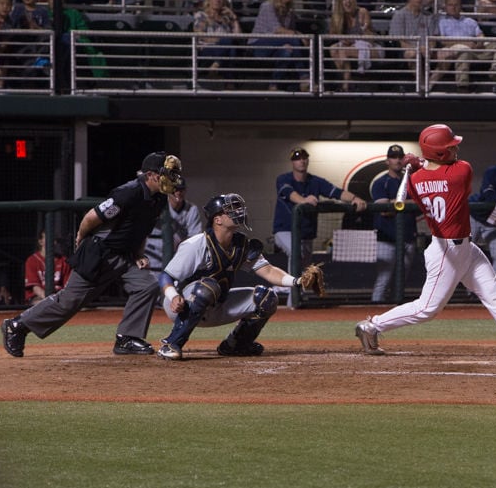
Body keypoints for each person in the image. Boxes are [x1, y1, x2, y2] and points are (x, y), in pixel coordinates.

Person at [354, 124, 496, 359]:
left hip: (465, 248)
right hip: (446, 252)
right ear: (440, 152)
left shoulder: (414, 181)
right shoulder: (461, 171)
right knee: (427, 309)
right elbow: (443, 173)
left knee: (495, 296)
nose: (456, 148)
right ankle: (372, 326)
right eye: (450, 146)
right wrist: (420, 162)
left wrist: (418, 165)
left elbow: (428, 176)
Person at [1, 151, 184, 357]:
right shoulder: (128, 192)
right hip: (100, 253)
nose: (172, 179)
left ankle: (127, 338)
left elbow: (141, 229)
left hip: (123, 255)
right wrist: (80, 237)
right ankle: (17, 325)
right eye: (167, 174)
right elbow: (91, 217)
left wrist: (138, 254)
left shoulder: (158, 198)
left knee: (147, 286)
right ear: (151, 175)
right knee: (69, 302)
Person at [157, 193, 314, 359]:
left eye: (238, 208)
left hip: (217, 304)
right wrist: (173, 296)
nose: (238, 212)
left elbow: (268, 271)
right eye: (230, 210)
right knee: (208, 287)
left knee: (266, 297)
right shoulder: (196, 244)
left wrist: (297, 281)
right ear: (217, 220)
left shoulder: (241, 244)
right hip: (183, 306)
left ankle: (236, 345)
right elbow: (166, 276)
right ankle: (171, 343)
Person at [273, 145, 367, 269]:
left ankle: (288, 287)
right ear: (292, 162)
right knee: (296, 253)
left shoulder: (316, 181)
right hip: (284, 230)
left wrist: (355, 198)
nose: (301, 161)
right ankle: (291, 288)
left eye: (304, 158)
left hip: (306, 232)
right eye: (298, 158)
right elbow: (290, 193)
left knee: (306, 267)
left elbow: (337, 192)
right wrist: (303, 200)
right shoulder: (284, 179)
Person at [370, 144, 417, 304]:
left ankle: (395, 312)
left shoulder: (412, 181)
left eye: (399, 157)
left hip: (408, 236)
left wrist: (397, 203)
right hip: (386, 238)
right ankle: (375, 311)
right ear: (387, 161)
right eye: (393, 157)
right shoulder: (380, 182)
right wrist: (408, 203)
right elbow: (384, 210)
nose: (397, 160)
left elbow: (421, 205)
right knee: (384, 278)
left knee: (401, 281)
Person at [249, 0, 309, 92]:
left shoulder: (289, 11)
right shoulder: (267, 6)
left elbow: (289, 32)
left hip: (277, 43)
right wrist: (299, 35)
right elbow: (277, 30)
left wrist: (295, 36)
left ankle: (274, 84)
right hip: (259, 44)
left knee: (288, 50)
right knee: (294, 40)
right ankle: (304, 77)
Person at [328, 0, 382, 92]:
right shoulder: (338, 16)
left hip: (370, 47)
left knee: (343, 51)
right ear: (340, 3)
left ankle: (345, 85)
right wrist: (343, 39)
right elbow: (331, 35)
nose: (348, 1)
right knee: (333, 49)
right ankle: (348, 81)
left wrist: (363, 30)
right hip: (349, 46)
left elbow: (371, 38)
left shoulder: (362, 12)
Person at [388, 0, 438, 91]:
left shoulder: (429, 16)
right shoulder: (400, 15)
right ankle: (422, 85)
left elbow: (433, 38)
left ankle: (430, 83)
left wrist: (430, 47)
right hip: (408, 50)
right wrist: (419, 49)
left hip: (427, 49)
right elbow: (400, 41)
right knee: (412, 54)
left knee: (446, 55)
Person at [431, 0, 486, 92]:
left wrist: (480, 41)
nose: (453, 7)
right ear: (446, 6)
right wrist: (466, 43)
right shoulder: (441, 21)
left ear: (461, 6)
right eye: (450, 5)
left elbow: (480, 35)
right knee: (464, 51)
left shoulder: (470, 21)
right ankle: (462, 86)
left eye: (456, 5)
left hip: (475, 50)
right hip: (455, 48)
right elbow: (443, 41)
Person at [144, 179, 203, 273]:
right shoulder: (159, 205)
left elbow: (195, 237)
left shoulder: (191, 209)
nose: (178, 192)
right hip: (154, 252)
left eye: (181, 190)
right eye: (174, 189)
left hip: (177, 255)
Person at [192, 0, 241, 85]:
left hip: (225, 49)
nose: (217, 1)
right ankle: (230, 82)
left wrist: (234, 17)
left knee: (232, 48)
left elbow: (238, 35)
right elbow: (200, 35)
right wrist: (220, 40)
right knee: (228, 42)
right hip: (207, 49)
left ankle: (217, 64)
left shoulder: (226, 18)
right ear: (209, 0)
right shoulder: (202, 15)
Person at [24, 230, 72, 305]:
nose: (54, 242)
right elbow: (35, 288)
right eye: (50, 239)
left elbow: (67, 286)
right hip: (39, 297)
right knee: (40, 304)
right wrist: (50, 300)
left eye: (54, 240)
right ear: (40, 242)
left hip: (59, 297)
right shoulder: (32, 260)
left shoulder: (63, 260)